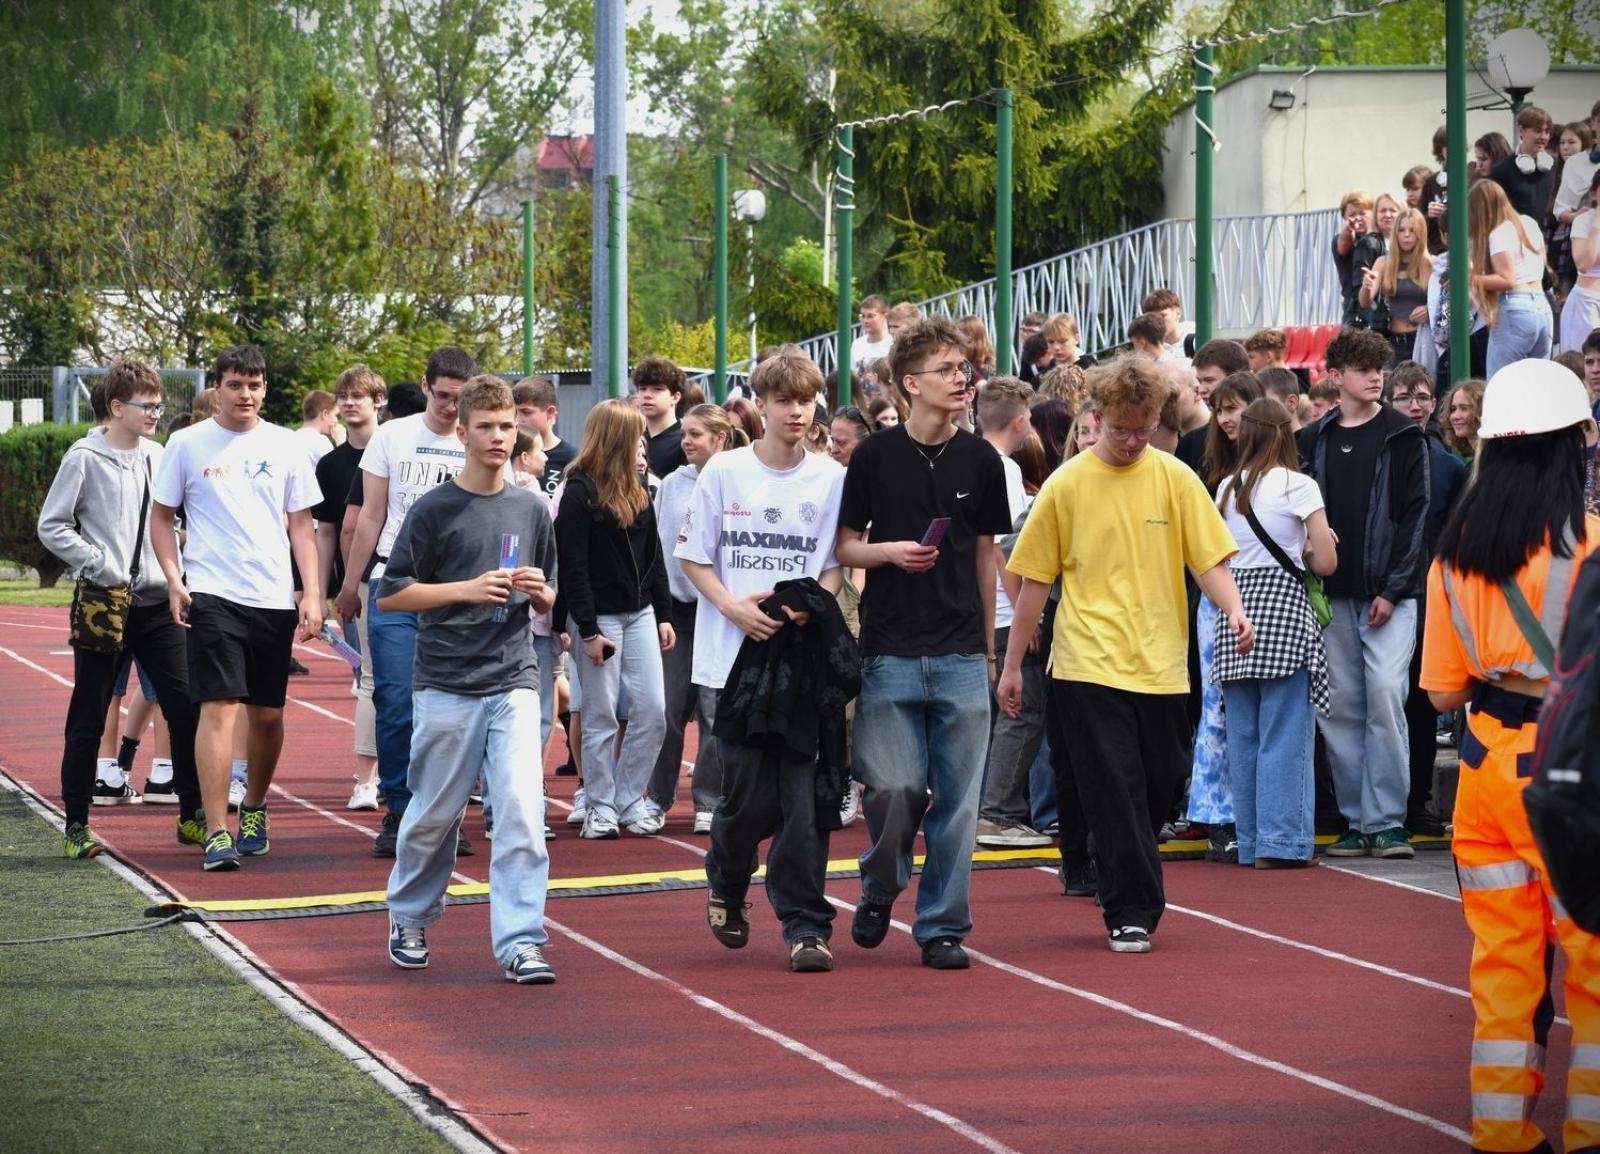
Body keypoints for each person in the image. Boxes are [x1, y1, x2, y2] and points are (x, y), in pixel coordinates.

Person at [999, 356, 1251, 953]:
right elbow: (1033, 581)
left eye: (1144, 430)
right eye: (1121, 430)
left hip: (1162, 661)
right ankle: (1130, 906)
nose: (1133, 441)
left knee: (1161, 782)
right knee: (1115, 786)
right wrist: (1012, 665)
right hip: (1086, 662)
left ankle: (1114, 862)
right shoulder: (1066, 485)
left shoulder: (1174, 477)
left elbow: (1207, 558)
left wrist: (1234, 609)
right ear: (1097, 418)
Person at [1419, 357, 1600, 1154]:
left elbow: (1441, 694)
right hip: (1575, 769)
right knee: (1593, 967)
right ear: (1573, 448)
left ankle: (1502, 1134)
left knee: (1504, 972)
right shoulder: (1591, 545)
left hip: (1487, 774)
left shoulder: (1455, 554)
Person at [836, 316, 1012, 970]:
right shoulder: (875, 457)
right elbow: (846, 544)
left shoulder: (981, 459)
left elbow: (986, 552)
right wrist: (887, 552)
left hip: (964, 651)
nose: (960, 377)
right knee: (895, 789)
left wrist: (992, 650)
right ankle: (882, 883)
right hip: (890, 651)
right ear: (910, 383)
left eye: (962, 368)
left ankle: (941, 926)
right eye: (944, 369)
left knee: (961, 805)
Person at [378, 375, 559, 985]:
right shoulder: (434, 509)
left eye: (508, 426)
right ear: (463, 432)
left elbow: (550, 595)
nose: (498, 437)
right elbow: (393, 594)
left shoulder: (533, 507)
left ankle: (521, 942)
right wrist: (465, 589)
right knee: (434, 814)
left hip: (513, 677)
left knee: (522, 812)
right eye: (486, 426)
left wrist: (540, 594)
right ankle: (409, 916)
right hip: (446, 681)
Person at [676, 352, 848, 972]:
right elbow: (694, 559)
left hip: (801, 666)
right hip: (732, 663)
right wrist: (732, 609)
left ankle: (806, 925)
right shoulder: (724, 471)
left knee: (803, 801)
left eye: (807, 401)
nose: (797, 412)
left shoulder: (830, 477)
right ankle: (726, 875)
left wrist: (812, 606)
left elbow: (834, 559)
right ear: (763, 404)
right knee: (748, 800)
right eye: (784, 401)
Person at [150, 345, 323, 870]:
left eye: (254, 385)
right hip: (212, 594)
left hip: (271, 598)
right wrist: (175, 580)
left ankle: (253, 806)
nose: (244, 394)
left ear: (265, 388)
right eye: (234, 384)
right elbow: (161, 518)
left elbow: (301, 526)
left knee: (266, 717)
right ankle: (216, 828)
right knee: (218, 708)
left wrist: (313, 593)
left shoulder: (288, 445)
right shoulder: (185, 444)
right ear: (218, 388)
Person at [38, 359, 203, 858]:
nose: (156, 412)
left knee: (186, 707)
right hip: (105, 602)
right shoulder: (84, 457)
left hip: (157, 604)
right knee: (89, 712)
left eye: (159, 405)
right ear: (116, 407)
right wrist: (100, 563)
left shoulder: (160, 455)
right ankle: (76, 825)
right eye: (146, 405)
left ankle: (193, 814)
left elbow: (177, 518)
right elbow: (53, 524)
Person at [337, 348, 478, 858]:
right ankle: (399, 807)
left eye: (460, 399)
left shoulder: (478, 439)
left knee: (452, 712)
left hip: (459, 594)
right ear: (425, 387)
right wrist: (351, 586)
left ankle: (447, 814)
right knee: (395, 701)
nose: (449, 407)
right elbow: (370, 516)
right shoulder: (392, 437)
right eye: (442, 396)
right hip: (393, 586)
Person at [1297, 329, 1428, 861]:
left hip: (1387, 596)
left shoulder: (1404, 435)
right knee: (1342, 707)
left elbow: (1417, 517)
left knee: (1386, 697)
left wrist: (1394, 591)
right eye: (1364, 368)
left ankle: (1387, 819)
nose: (1376, 376)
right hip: (1334, 594)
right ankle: (1357, 818)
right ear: (1337, 375)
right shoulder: (1316, 438)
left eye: (1380, 367)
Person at [1213, 397, 1336, 867]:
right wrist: (1307, 545)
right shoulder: (1299, 486)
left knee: (1244, 735)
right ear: (1285, 434)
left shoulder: (1225, 488)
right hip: (1284, 609)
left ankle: (1250, 840)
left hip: (1236, 609)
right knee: (1286, 733)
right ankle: (1282, 843)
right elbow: (1325, 562)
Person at [556, 398, 673, 838]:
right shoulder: (579, 492)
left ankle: (628, 798)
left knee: (652, 710)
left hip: (639, 613)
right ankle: (600, 804)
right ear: (618, 440)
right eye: (637, 436)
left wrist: (662, 613)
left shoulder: (640, 489)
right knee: (601, 713)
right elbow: (574, 567)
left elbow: (653, 557)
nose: (644, 444)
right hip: (599, 617)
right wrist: (586, 629)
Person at [647, 403, 746, 831]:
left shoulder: (737, 480)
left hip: (718, 610)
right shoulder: (671, 483)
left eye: (696, 434)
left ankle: (708, 800)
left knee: (714, 709)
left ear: (720, 438)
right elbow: (658, 543)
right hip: (677, 612)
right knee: (667, 708)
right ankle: (656, 797)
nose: (686, 441)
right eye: (684, 433)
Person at [1387, 361, 1468, 837]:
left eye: (1422, 397)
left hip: (1430, 595)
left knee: (1419, 704)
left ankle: (1416, 801)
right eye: (1405, 397)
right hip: (1385, 593)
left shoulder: (1449, 466)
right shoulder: (1381, 453)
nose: (1415, 406)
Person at [973, 377, 1049, 849]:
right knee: (1021, 710)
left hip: (984, 609)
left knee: (994, 713)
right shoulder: (1000, 468)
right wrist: (1027, 609)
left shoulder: (969, 458)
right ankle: (998, 811)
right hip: (1004, 610)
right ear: (1020, 421)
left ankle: (987, 806)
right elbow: (1003, 546)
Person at [315, 365, 385, 811]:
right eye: (344, 396)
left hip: (400, 577)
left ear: (378, 400)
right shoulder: (330, 464)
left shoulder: (394, 448)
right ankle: (366, 779)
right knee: (372, 681)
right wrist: (319, 591)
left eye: (359, 395)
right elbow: (327, 532)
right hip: (355, 586)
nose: (349, 402)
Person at [1470, 179, 1553, 376]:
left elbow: (1507, 280)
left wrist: (1472, 279)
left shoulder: (1499, 231)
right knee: (1536, 384)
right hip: (1542, 307)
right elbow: (1542, 266)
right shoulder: (1529, 223)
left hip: (1516, 308)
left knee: (1501, 384)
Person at [1360, 206, 1433, 365]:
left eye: (1412, 230)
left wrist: (1430, 309)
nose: (1406, 235)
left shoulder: (1431, 264)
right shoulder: (1383, 262)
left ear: (1421, 233)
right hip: (1393, 340)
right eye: (1401, 230)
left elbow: (1447, 303)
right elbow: (1365, 301)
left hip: (1423, 340)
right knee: (1391, 386)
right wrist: (1367, 285)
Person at [1486, 105, 1555, 224]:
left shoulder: (1554, 166)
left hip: (1544, 238)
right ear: (1521, 130)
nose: (1543, 137)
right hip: (1513, 235)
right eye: (1538, 131)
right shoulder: (1502, 169)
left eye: (1547, 132)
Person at [512, 376, 577, 497]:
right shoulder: (506, 451)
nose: (517, 419)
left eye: (526, 412)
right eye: (514, 412)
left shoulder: (572, 459)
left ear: (550, 412)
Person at [1560, 169, 1600, 354]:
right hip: (1585, 303)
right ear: (1593, 193)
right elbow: (1584, 264)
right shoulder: (1584, 221)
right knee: (1581, 363)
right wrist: (1597, 222)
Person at [634, 357, 688, 479]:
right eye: (642, 389)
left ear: (675, 397)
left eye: (657, 389)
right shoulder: (631, 437)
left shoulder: (686, 440)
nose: (647, 395)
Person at [1443, 377, 1486, 464]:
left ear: (1481, 411)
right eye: (1453, 409)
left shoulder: (1499, 459)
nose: (1455, 416)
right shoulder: (1473, 464)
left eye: (1464, 408)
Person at [851, 295, 894, 374]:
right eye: (862, 316)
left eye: (870, 316)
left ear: (885, 316)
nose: (865, 320)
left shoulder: (893, 344)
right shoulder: (857, 345)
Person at [296, 389, 338, 462]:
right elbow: (339, 471)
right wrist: (341, 442)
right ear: (325, 414)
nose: (336, 420)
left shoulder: (293, 437)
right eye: (335, 415)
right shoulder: (321, 442)